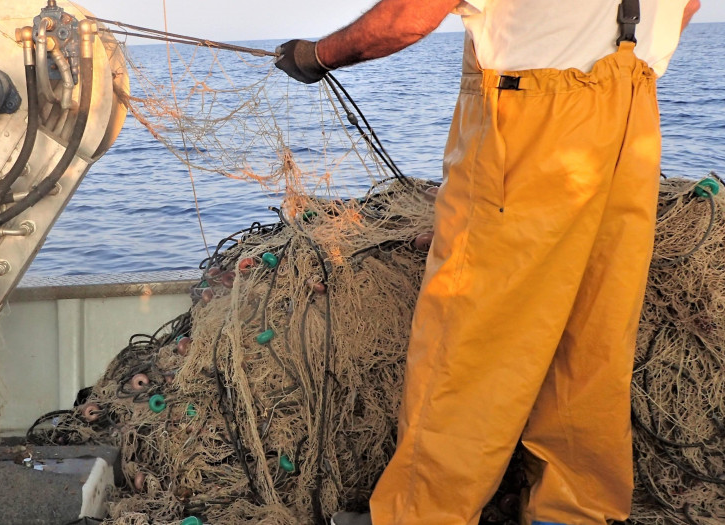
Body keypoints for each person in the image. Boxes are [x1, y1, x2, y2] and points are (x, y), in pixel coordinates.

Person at [275, 0, 700, 524]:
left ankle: (423, 515)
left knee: (469, 337)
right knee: (594, 331)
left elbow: (409, 16)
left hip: (532, 120)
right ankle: (571, 510)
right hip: (633, 116)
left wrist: (315, 56)